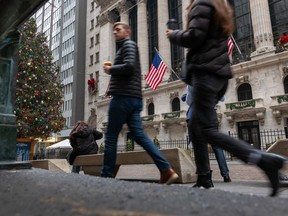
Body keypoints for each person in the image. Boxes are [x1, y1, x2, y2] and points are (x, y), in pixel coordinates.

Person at [166, 0, 286, 196]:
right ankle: (204, 177)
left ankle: (265, 160)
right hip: (218, 75)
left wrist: (174, 34)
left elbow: (194, 36)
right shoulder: (219, 6)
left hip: (205, 74)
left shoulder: (201, 4)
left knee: (207, 131)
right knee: (196, 128)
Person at [101, 22, 179, 184]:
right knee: (140, 137)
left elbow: (129, 67)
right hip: (133, 98)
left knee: (110, 137)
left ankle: (106, 175)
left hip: (123, 97)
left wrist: (111, 69)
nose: (115, 32)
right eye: (114, 30)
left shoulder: (128, 45)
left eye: (118, 30)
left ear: (127, 32)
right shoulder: (126, 47)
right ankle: (166, 169)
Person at [182, 85, 231, 183]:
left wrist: (186, 96)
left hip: (195, 115)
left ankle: (206, 176)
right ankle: (225, 174)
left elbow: (189, 100)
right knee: (217, 147)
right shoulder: (213, 82)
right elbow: (222, 98)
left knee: (200, 147)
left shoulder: (194, 80)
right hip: (210, 114)